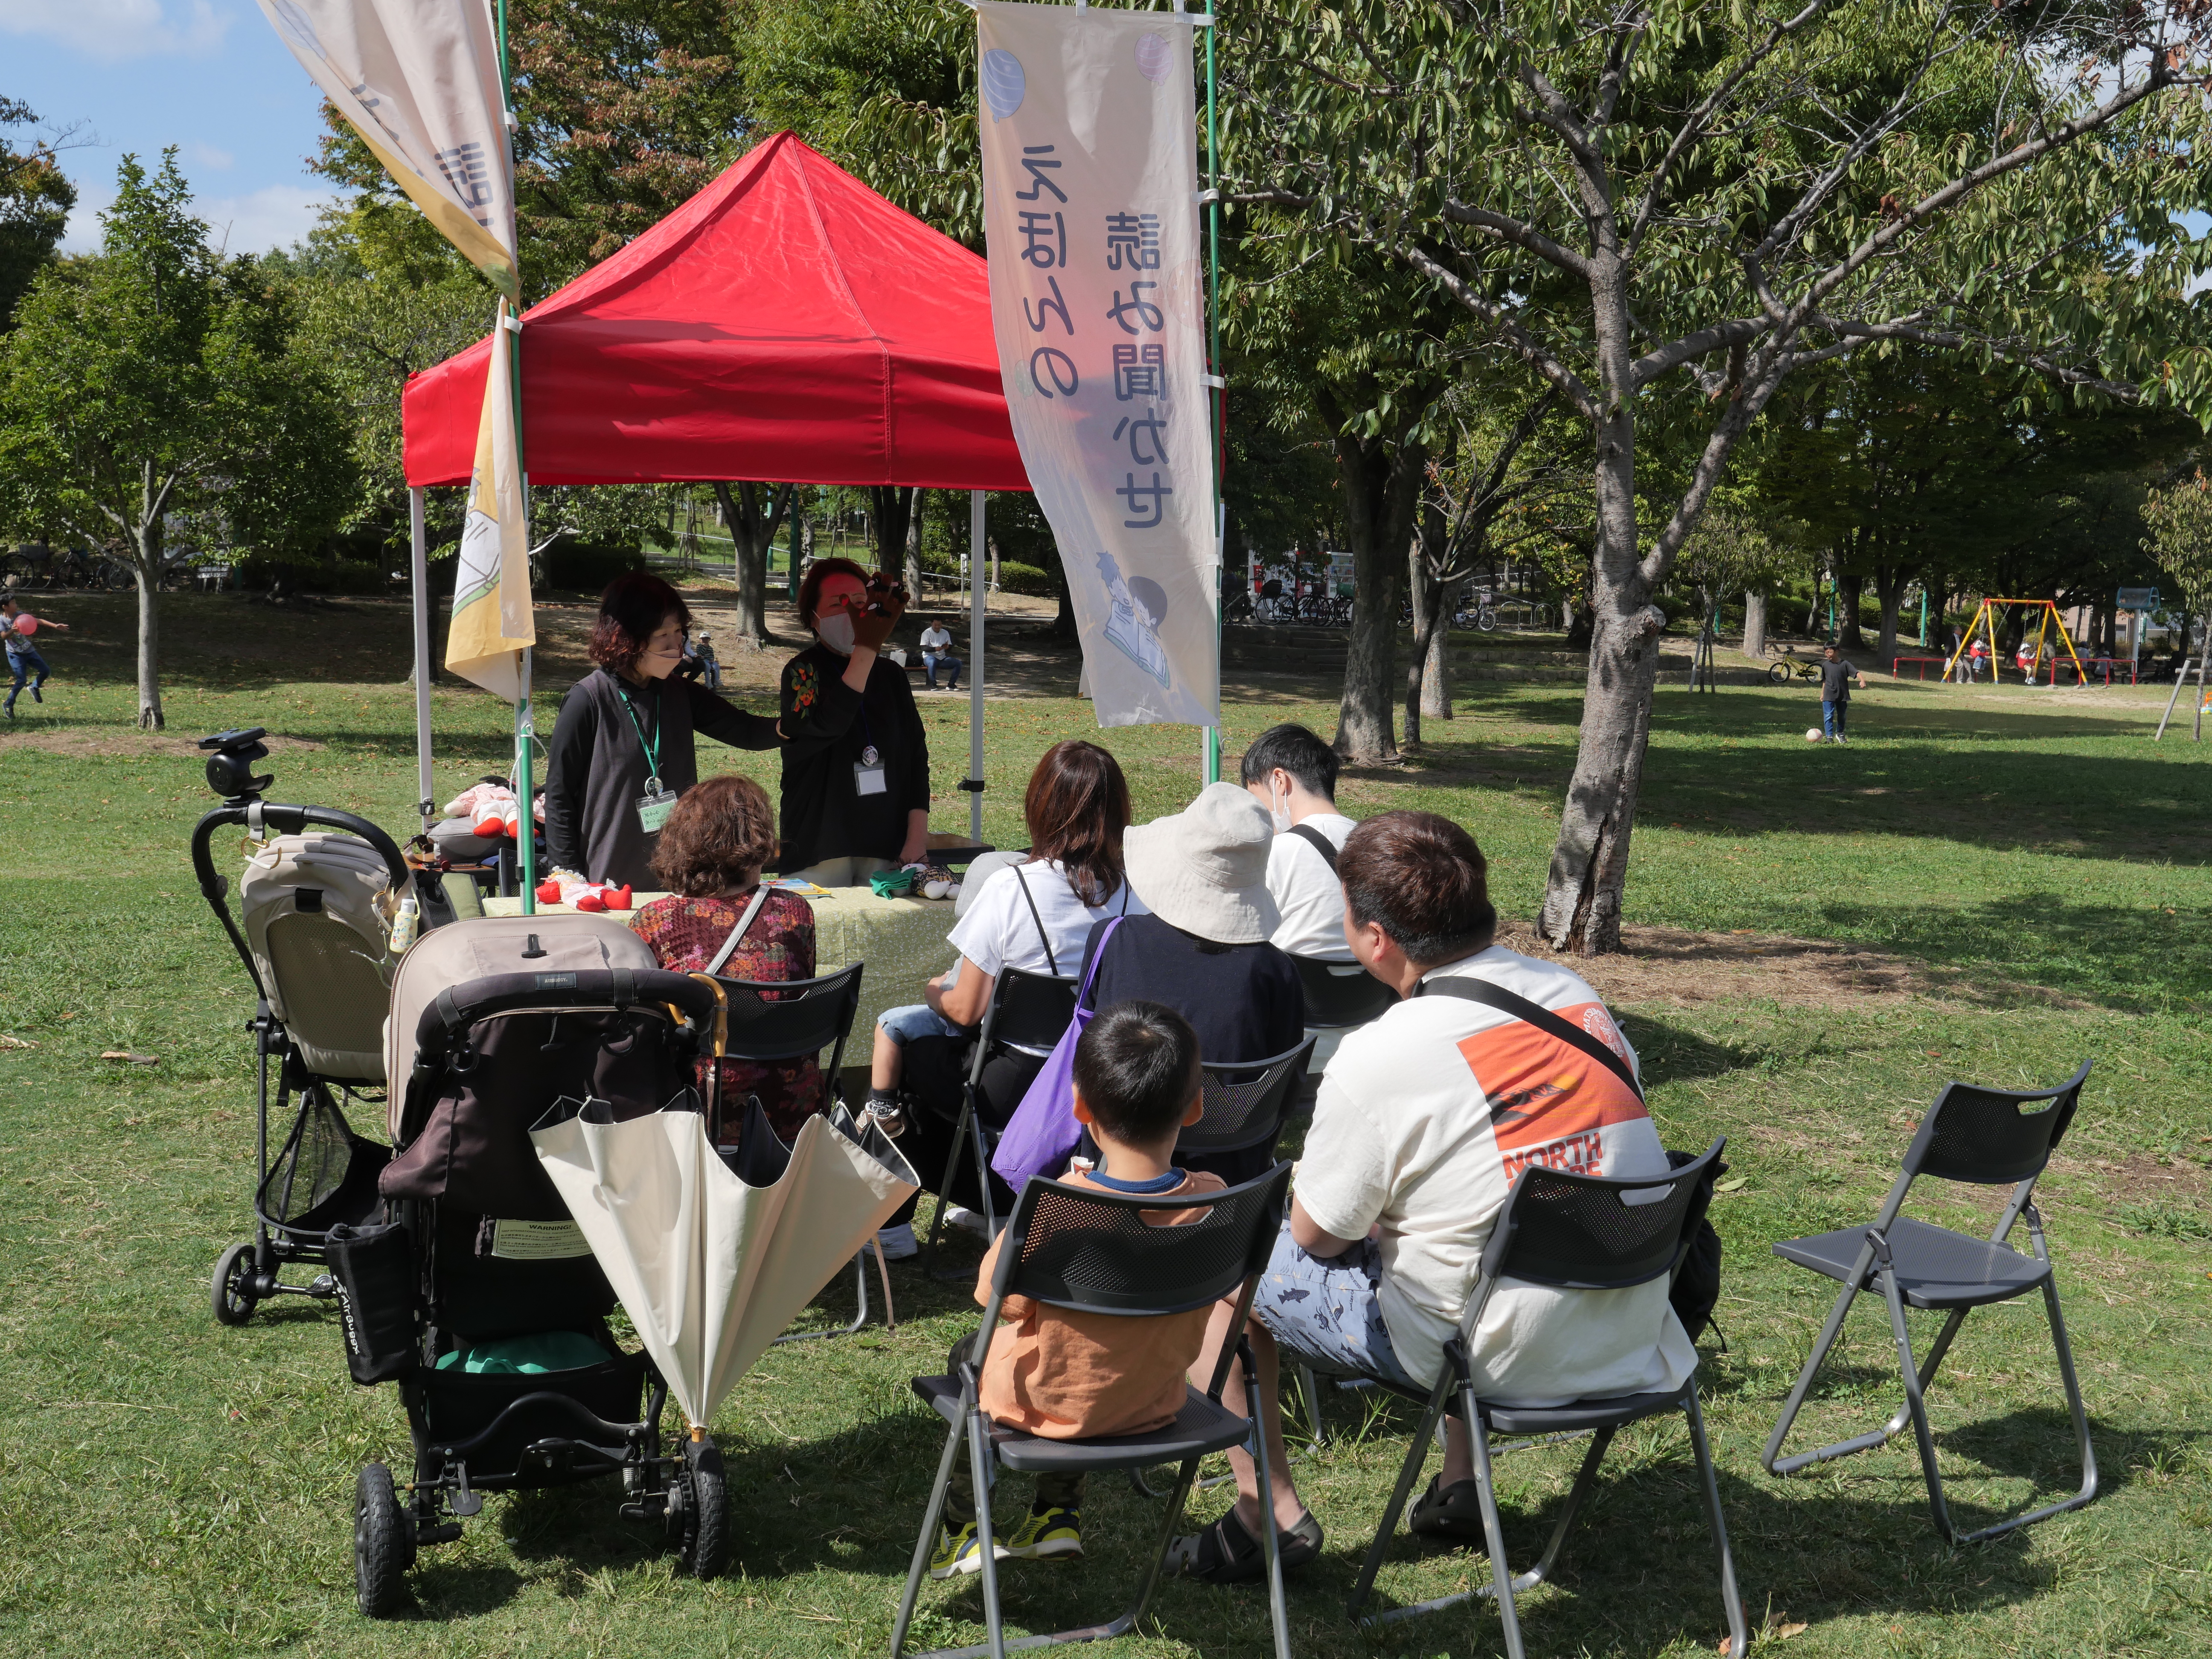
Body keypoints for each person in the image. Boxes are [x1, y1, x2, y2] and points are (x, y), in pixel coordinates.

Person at [1169, 810, 1696, 1584]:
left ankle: (1263, 1513)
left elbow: (1313, 1239)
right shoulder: (1575, 997)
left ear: (1374, 938)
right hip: (1629, 1331)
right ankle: (1460, 1483)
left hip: (1493, 1354)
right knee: (1463, 1227)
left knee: (1220, 1254)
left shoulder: (1382, 1053)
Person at [928, 1000, 1222, 1578]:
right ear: (1196, 1107)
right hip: (1154, 1400)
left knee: (969, 1358)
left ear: (1081, 1105)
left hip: (1050, 1401)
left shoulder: (1059, 1207)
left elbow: (996, 1299)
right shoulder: (1213, 1198)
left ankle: (962, 1531)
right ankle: (1056, 1516)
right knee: (1093, 1344)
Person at [869, 740, 1147, 1256]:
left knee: (901, 1068)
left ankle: (893, 1229)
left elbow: (965, 1008)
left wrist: (934, 990)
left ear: (1042, 805)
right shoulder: (1137, 897)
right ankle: (990, 1204)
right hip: (1093, 1085)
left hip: (1009, 1083)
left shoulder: (1010, 887)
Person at [1077, 782, 1304, 1190]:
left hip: (1115, 1172)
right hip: (1232, 1186)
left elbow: (1087, 1055)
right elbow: (1282, 1096)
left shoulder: (1112, 940)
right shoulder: (1277, 973)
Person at [544, 573, 783, 890]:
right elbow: (560, 797)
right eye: (663, 635)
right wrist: (569, 878)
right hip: (606, 880)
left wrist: (799, 722)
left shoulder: (679, 692)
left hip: (676, 879)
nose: (677, 646)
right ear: (627, 638)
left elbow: (747, 732)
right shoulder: (587, 699)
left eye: (679, 632)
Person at [629, 775, 824, 1146]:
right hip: (790, 1098)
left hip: (698, 1102)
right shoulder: (793, 910)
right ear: (758, 836)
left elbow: (650, 1024)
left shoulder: (656, 920)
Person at [778, 557, 930, 885]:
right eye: (839, 604)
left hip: (885, 841)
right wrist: (865, 650)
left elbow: (916, 759)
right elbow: (821, 729)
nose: (853, 613)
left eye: (861, 603)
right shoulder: (802, 672)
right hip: (819, 841)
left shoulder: (891, 676)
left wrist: (917, 838)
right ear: (813, 618)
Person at [1239, 723, 1356, 962]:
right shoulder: (1375, 842)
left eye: (1256, 799)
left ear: (1279, 781)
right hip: (1374, 993)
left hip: (1292, 993)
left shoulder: (1274, 853)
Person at [2, 595, 66, 719]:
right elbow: (4, 636)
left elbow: (37, 621)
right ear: (5, 607)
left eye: (15, 602)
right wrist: (12, 631)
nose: (16, 605)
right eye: (13, 603)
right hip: (15, 655)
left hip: (29, 651)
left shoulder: (20, 615)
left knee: (46, 671)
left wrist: (55, 626)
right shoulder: (1, 621)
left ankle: (34, 687)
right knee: (21, 681)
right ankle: (8, 704)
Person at [1817, 643, 1867, 743]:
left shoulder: (1845, 664)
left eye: (1830, 652)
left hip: (1842, 694)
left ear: (1837, 651)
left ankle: (1840, 733)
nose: (1828, 654)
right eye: (1826, 652)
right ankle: (1829, 737)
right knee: (1828, 715)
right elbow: (1825, 680)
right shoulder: (1825, 665)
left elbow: (1856, 672)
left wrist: (1862, 680)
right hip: (1829, 694)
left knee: (1842, 715)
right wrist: (1822, 694)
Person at [918, 619, 961, 691]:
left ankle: (951, 684)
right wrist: (935, 649)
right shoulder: (927, 633)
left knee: (958, 663)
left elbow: (950, 646)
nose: (937, 627)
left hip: (942, 658)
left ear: (942, 625)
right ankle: (933, 684)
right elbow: (924, 648)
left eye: (939, 625)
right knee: (932, 662)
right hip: (929, 656)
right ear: (932, 624)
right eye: (935, 625)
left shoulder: (945, 633)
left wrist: (947, 647)